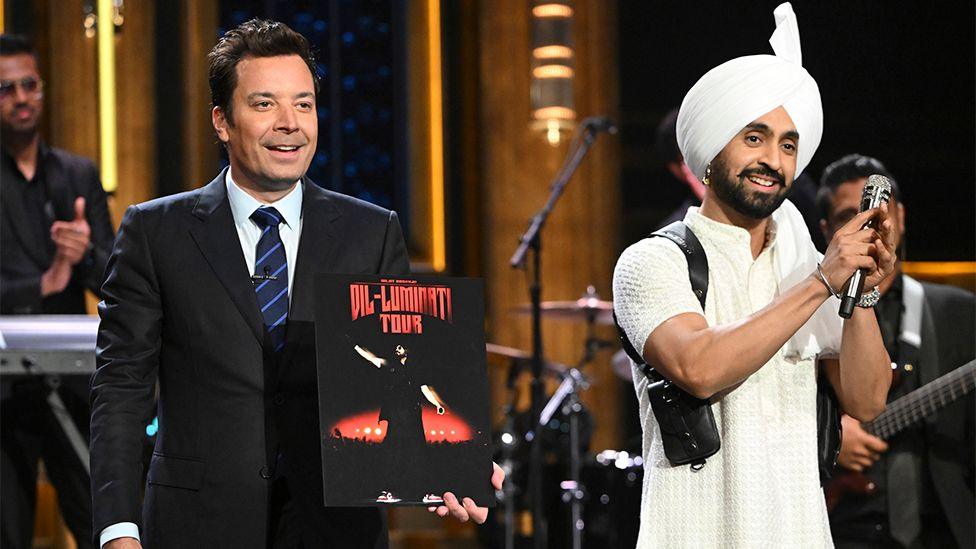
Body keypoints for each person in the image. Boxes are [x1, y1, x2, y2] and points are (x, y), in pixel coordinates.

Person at [90, 19, 501, 549]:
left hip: (335, 528)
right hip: (197, 524)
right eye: (265, 104)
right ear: (222, 121)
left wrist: (447, 465)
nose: (290, 124)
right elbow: (120, 389)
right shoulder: (155, 232)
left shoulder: (372, 232)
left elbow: (406, 366)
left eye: (303, 104)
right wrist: (118, 529)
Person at [613, 4, 894, 547]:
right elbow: (699, 367)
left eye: (789, 144)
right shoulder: (652, 262)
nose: (774, 158)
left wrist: (858, 292)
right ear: (710, 153)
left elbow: (866, 400)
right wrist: (821, 284)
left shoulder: (802, 261)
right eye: (754, 137)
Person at [818, 154, 975, 549]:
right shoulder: (806, 316)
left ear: (900, 218)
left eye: (878, 214)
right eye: (848, 216)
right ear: (826, 231)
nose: (868, 227)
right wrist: (828, 437)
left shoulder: (960, 313)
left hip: (945, 528)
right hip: (839, 527)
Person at [0, 33, 114, 549]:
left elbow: (115, 280)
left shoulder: (78, 173)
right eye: (6, 88)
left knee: (98, 518)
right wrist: (41, 284)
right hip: (4, 391)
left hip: (73, 382)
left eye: (29, 85)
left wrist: (83, 254)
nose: (21, 98)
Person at [353, 344, 446, 504]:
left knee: (418, 452)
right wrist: (354, 345)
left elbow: (425, 389)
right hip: (396, 415)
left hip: (412, 415)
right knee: (392, 451)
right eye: (395, 346)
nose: (397, 348)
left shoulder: (416, 370)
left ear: (409, 350)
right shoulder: (390, 365)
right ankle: (387, 491)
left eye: (401, 346)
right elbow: (371, 358)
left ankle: (426, 492)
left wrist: (437, 405)